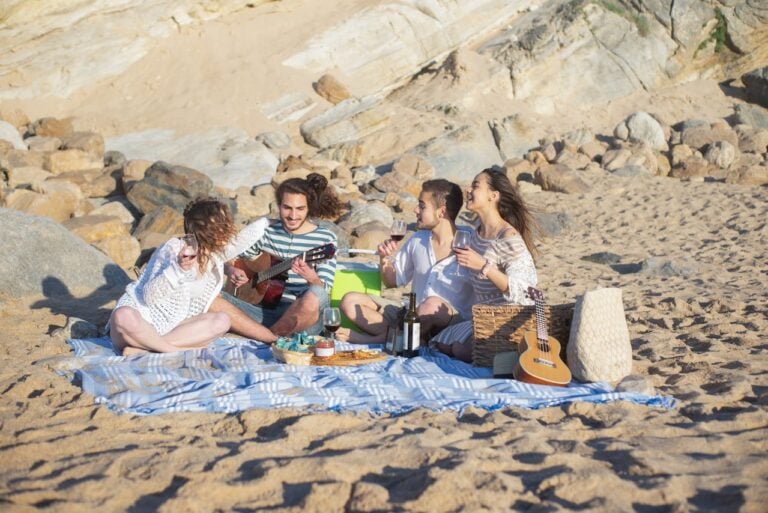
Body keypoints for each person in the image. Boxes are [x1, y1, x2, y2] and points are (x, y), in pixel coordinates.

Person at [109, 197, 272, 356]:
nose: (229, 226)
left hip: (170, 330)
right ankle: (171, 351)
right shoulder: (174, 248)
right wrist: (177, 269)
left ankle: (148, 349)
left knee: (222, 321)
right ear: (211, 228)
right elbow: (149, 295)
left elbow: (242, 240)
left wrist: (273, 222)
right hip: (137, 325)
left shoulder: (213, 254)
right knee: (122, 314)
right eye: (224, 222)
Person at [337, 179, 474, 344]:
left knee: (431, 304)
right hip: (412, 316)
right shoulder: (418, 239)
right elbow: (392, 282)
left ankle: (388, 338)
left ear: (441, 212)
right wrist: (384, 258)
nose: (416, 210)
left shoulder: (471, 241)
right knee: (350, 301)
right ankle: (397, 337)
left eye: (422, 206)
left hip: (450, 324)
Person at [211, 173, 342, 338]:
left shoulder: (325, 239)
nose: (293, 216)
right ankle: (271, 336)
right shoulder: (267, 232)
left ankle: (266, 336)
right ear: (278, 206)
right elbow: (229, 257)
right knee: (211, 298)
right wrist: (231, 270)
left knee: (316, 294)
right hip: (260, 311)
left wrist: (312, 278)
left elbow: (324, 290)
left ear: (309, 208)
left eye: (300, 209)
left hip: (301, 317)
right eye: (287, 208)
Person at [431, 168, 538, 362]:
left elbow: (525, 291)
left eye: (475, 186)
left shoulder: (508, 237)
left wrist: (484, 266)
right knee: (435, 343)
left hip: (507, 321)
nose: (468, 190)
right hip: (481, 318)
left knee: (459, 350)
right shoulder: (474, 235)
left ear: (493, 195)